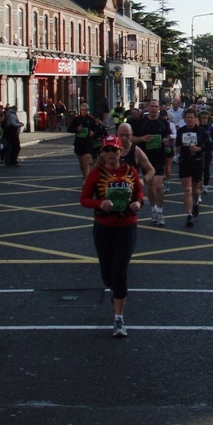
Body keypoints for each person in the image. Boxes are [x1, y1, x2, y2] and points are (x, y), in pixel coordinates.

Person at [80, 134, 145, 337]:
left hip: (127, 227)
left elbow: (139, 194)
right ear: (102, 152)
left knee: (120, 272)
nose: (110, 154)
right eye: (106, 150)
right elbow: (84, 199)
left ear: (120, 151)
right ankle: (114, 291)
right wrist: (99, 203)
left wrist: (138, 204)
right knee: (108, 275)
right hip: (104, 227)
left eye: (114, 150)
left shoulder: (129, 171)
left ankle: (118, 319)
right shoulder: (96, 174)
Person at [131, 99, 172, 226]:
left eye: (156, 107)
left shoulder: (163, 122)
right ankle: (153, 208)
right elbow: (132, 138)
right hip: (145, 158)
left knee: (158, 186)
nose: (154, 108)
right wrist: (142, 138)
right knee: (149, 186)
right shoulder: (141, 123)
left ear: (159, 108)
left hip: (159, 157)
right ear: (148, 108)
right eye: (152, 106)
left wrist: (166, 141)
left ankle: (160, 211)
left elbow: (168, 137)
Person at [175, 110, 209, 228]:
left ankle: (196, 203)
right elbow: (178, 145)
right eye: (187, 117)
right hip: (185, 162)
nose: (189, 119)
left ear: (195, 119)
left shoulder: (201, 131)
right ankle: (189, 215)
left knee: (195, 191)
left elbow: (208, 146)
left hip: (198, 162)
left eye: (192, 117)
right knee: (187, 189)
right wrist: (178, 149)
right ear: (184, 119)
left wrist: (198, 149)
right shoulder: (180, 131)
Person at [69, 103, 104, 178]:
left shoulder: (91, 119)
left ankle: (87, 180)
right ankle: (85, 176)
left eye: (85, 110)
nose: (84, 111)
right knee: (81, 163)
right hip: (79, 143)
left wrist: (93, 133)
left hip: (88, 143)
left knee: (85, 162)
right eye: (82, 110)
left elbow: (96, 128)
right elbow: (70, 129)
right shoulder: (76, 119)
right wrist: (77, 129)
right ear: (80, 110)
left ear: (88, 110)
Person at [117, 123, 154, 190]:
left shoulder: (136, 151)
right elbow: (98, 168)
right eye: (121, 135)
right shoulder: (110, 150)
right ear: (117, 134)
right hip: (113, 189)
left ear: (132, 134)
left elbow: (151, 170)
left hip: (131, 190)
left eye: (127, 135)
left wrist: (143, 180)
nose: (124, 138)